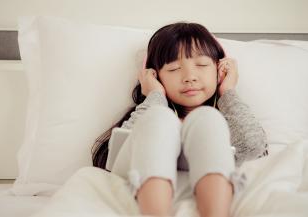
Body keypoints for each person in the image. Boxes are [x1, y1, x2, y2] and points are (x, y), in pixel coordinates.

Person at [92, 22, 269, 217]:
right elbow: (118, 151)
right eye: (174, 69)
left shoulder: (225, 123)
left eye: (201, 65)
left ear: (219, 70)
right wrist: (155, 95)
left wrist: (227, 91)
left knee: (208, 118)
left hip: (211, 185)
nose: (189, 77)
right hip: (140, 178)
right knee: (160, 118)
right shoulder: (152, 111)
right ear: (155, 76)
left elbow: (254, 147)